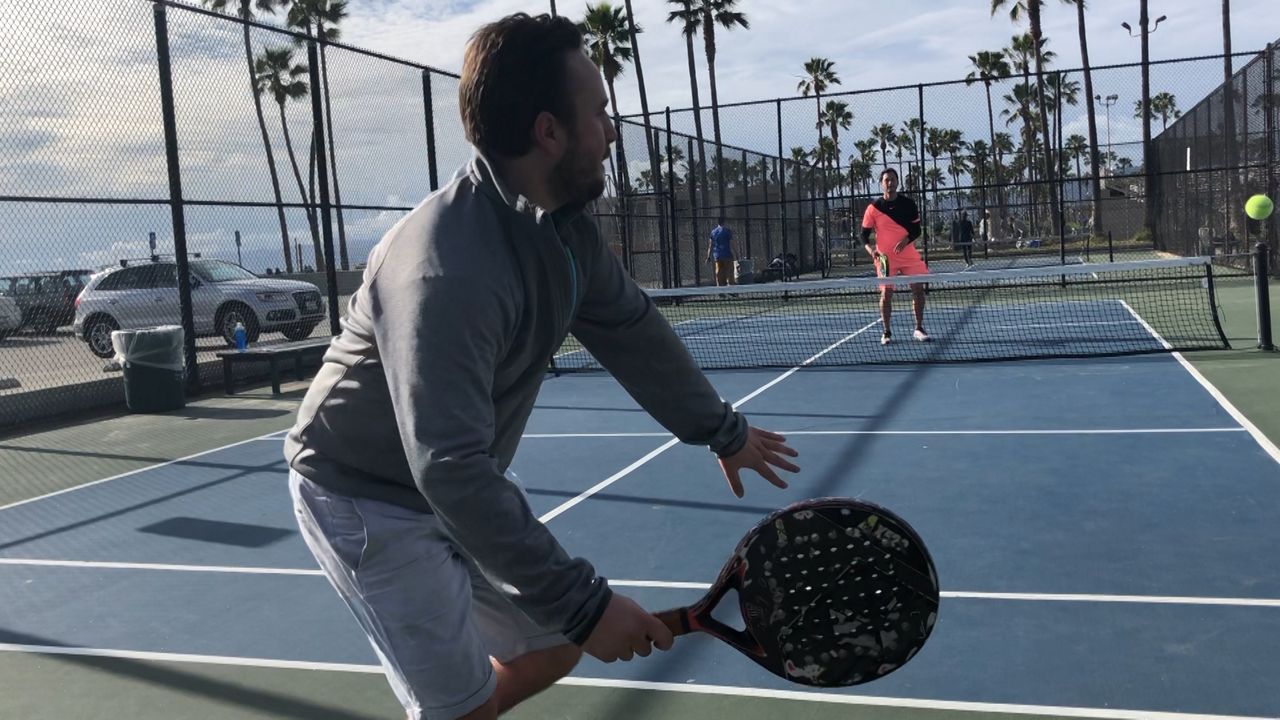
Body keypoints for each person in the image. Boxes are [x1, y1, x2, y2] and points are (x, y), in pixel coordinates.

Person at [283, 14, 800, 720]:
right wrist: (586, 606)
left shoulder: (561, 231)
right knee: (478, 696)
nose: (611, 131)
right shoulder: (447, 269)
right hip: (367, 497)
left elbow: (633, 331)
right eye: (600, 112)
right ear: (549, 131)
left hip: (452, 482)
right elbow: (449, 466)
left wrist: (721, 430)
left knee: (552, 648)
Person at [861, 168, 930, 345]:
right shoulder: (873, 208)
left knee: (918, 289)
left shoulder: (909, 204)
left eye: (893, 179)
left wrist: (905, 241)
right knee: (886, 293)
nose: (890, 183)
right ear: (881, 184)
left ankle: (919, 328)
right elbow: (863, 236)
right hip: (885, 259)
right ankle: (886, 332)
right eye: (886, 180)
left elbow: (917, 230)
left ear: (898, 182)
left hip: (909, 256)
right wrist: (872, 251)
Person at [707, 216, 736, 286]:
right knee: (729, 272)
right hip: (727, 255)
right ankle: (731, 285)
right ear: (724, 222)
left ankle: (720, 286)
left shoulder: (713, 232)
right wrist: (736, 254)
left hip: (717, 255)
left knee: (719, 271)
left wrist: (708, 256)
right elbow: (732, 243)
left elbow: (710, 245)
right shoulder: (727, 231)